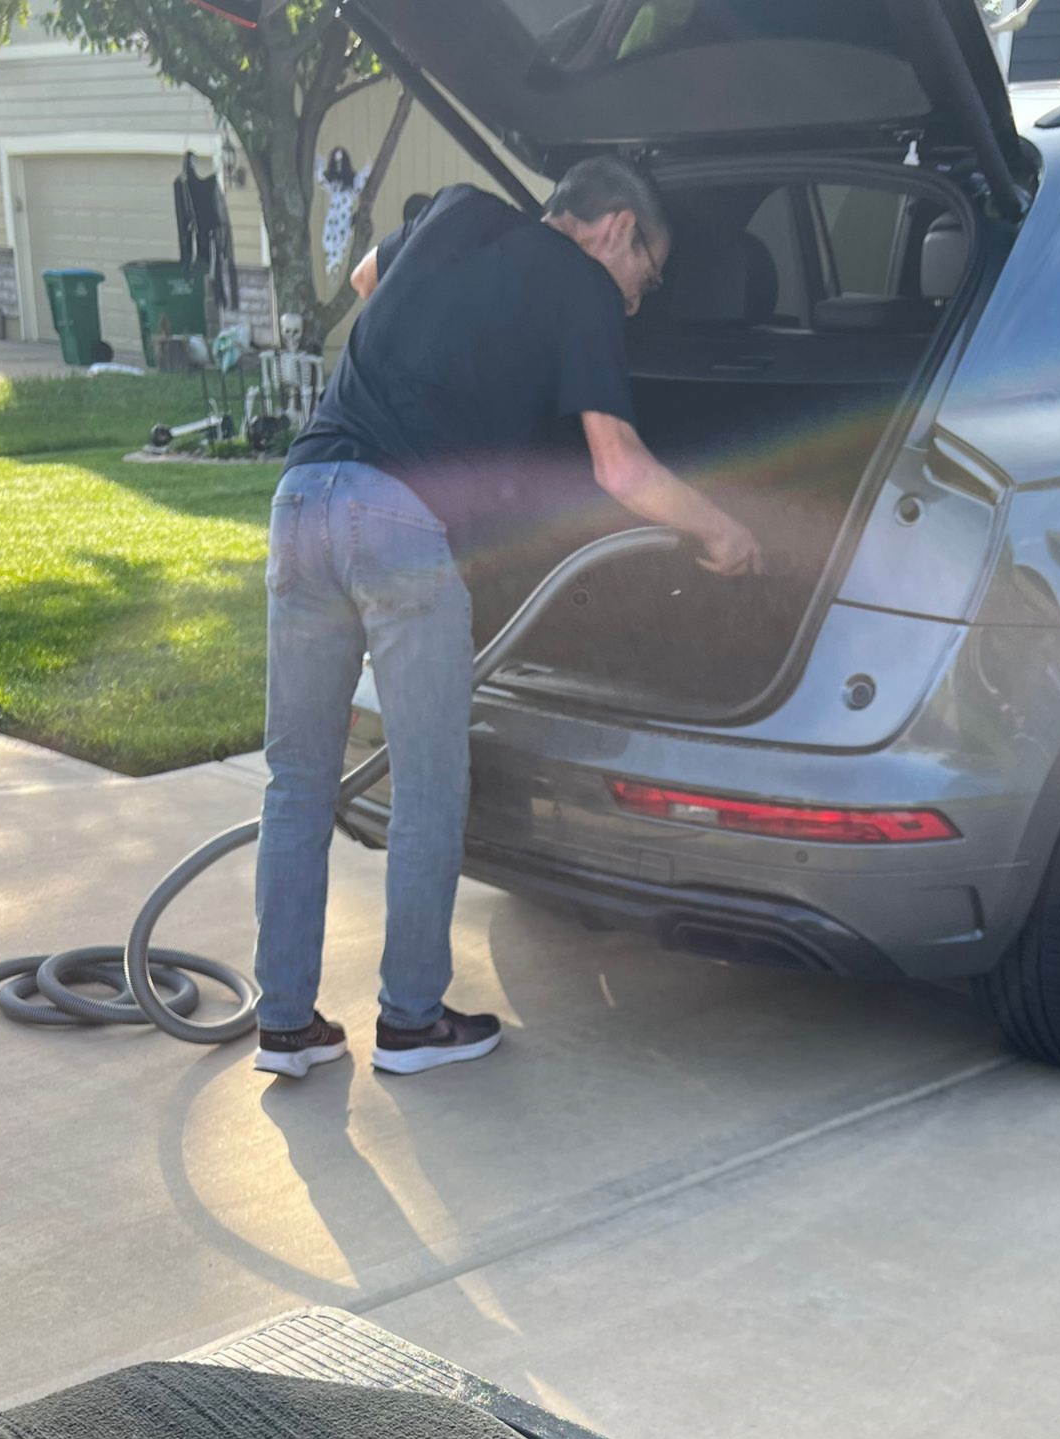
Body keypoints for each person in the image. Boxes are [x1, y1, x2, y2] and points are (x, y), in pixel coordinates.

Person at [252, 157, 761, 1080]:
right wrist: (723, 530)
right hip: (398, 521)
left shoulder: (452, 209)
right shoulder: (583, 288)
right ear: (615, 229)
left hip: (301, 497)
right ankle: (410, 1021)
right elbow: (619, 467)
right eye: (651, 271)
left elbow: (370, 280)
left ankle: (284, 1025)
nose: (642, 299)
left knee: (296, 780)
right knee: (430, 784)